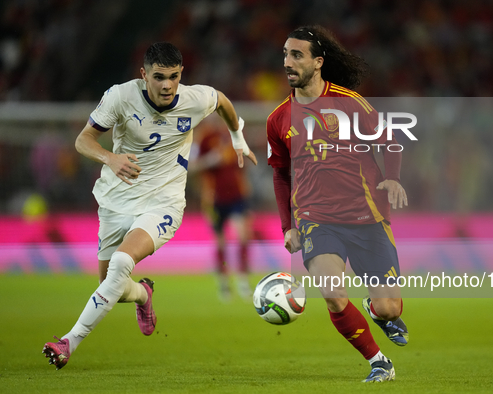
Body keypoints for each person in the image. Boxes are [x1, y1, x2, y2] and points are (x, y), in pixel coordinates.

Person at [42, 42, 257, 370]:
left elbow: (223, 102)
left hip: (163, 203)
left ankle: (67, 342)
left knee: (120, 263)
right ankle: (143, 295)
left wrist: (237, 137)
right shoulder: (120, 97)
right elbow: (83, 139)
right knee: (109, 285)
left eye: (173, 77)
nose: (167, 85)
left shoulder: (193, 98)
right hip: (116, 201)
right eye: (159, 77)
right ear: (144, 75)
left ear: (181, 74)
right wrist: (110, 157)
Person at [266, 26, 409, 383]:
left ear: (318, 62)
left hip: (367, 216)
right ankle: (379, 362)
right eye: (285, 54)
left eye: (296, 55)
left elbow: (390, 140)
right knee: (331, 292)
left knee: (390, 308)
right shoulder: (278, 119)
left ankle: (376, 313)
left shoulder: (348, 102)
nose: (288, 62)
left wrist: (392, 177)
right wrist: (288, 225)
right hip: (317, 219)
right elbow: (281, 175)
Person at [193, 123, 253, 301]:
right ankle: (224, 283)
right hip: (214, 198)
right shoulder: (204, 137)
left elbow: (243, 165)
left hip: (236, 196)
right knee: (221, 242)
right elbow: (192, 166)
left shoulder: (236, 136)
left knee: (243, 236)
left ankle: (243, 282)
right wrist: (210, 160)